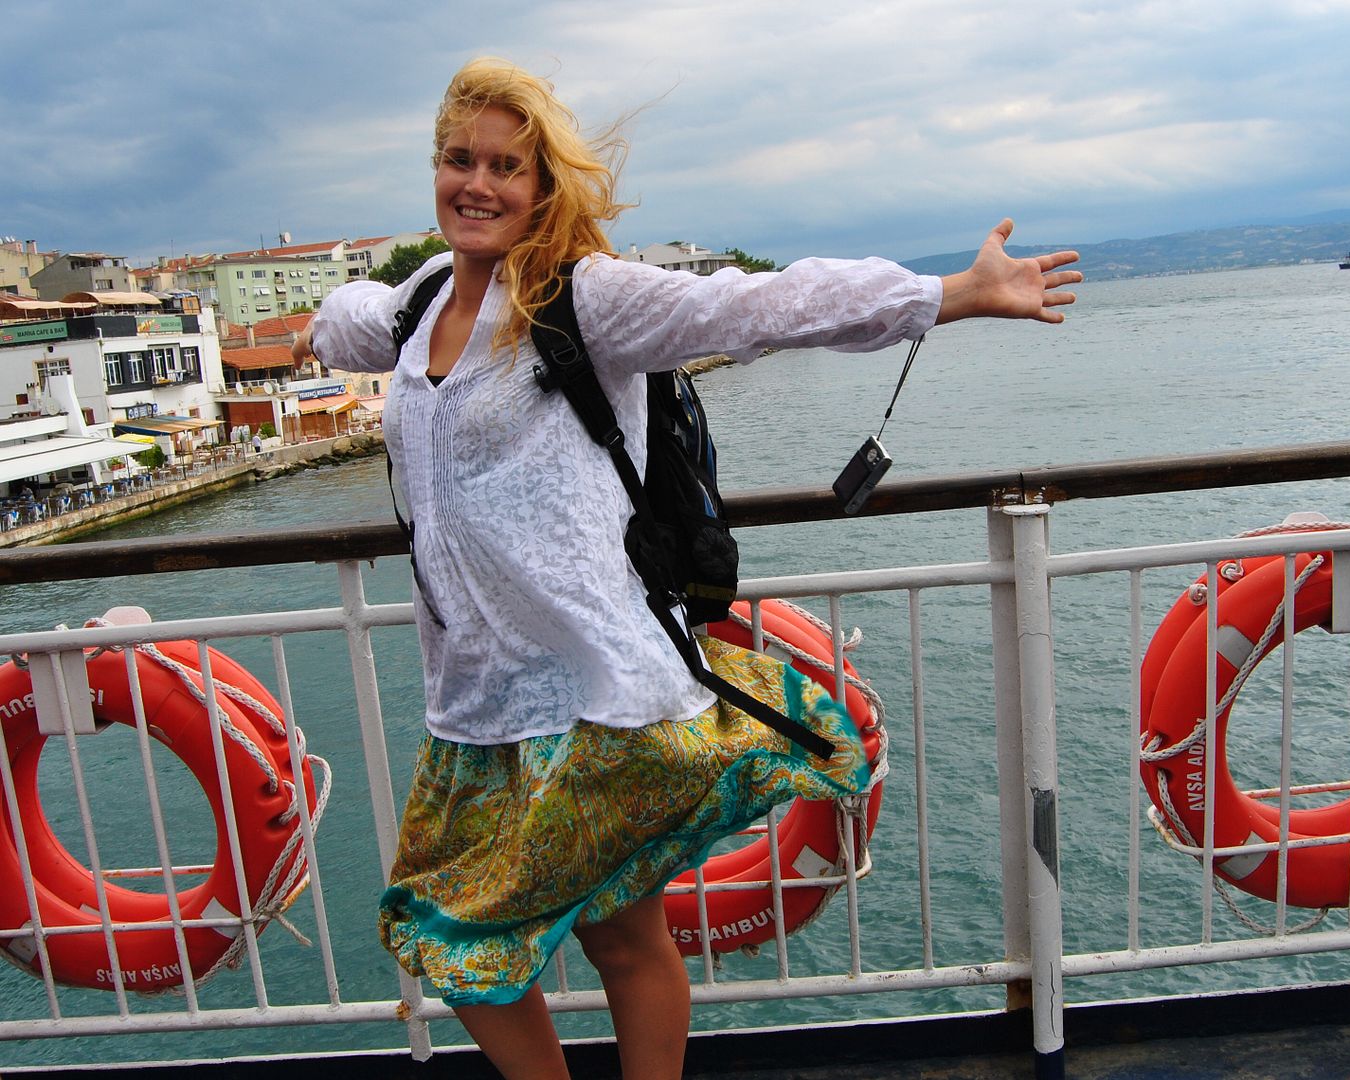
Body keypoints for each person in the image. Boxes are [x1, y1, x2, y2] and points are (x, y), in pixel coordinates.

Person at [294, 56, 1082, 1080]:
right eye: (458, 160)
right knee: (494, 951)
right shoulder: (420, 305)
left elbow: (756, 308)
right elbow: (337, 323)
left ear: (543, 187)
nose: (477, 184)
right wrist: (325, 314)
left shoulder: (586, 298)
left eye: (506, 166)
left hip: (595, 695)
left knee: (542, 937)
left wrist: (948, 294)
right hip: (474, 703)